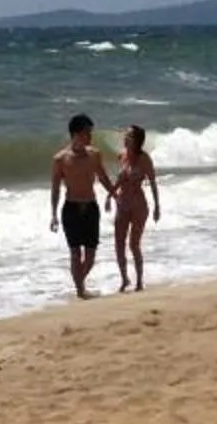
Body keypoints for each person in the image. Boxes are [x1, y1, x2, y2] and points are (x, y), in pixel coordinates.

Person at [49, 113, 114, 299]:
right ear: (75, 134)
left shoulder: (94, 155)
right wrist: (53, 215)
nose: (90, 136)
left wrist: (114, 194)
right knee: (75, 253)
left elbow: (103, 177)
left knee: (91, 256)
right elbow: (55, 188)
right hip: (71, 208)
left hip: (91, 207)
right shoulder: (60, 159)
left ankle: (79, 283)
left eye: (91, 132)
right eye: (87, 133)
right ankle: (80, 291)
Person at [110, 122, 160, 292]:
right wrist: (110, 196)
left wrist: (157, 206)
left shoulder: (144, 159)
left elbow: (152, 182)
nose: (126, 137)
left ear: (137, 140)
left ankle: (139, 281)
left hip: (139, 205)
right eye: (126, 135)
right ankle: (124, 279)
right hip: (122, 203)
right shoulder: (122, 155)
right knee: (118, 244)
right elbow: (120, 180)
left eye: (130, 136)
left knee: (134, 244)